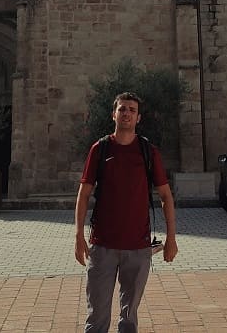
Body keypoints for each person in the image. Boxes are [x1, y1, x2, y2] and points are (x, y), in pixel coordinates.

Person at [74, 92, 178, 333]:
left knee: (129, 320)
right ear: (114, 114)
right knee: (96, 319)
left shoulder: (148, 152)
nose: (127, 113)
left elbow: (165, 196)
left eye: (132, 109)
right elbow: (84, 194)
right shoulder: (99, 149)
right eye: (122, 109)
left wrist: (171, 238)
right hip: (102, 247)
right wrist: (78, 235)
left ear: (138, 117)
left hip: (138, 249)